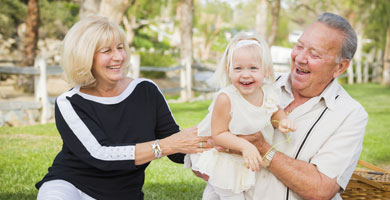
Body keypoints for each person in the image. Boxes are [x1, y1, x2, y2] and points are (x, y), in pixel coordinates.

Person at [194, 12, 368, 200]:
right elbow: (204, 143)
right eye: (299, 46)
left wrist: (262, 149)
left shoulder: (350, 114)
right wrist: (220, 164)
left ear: (340, 67)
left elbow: (321, 189)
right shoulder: (253, 84)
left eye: (314, 54)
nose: (301, 58)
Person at [35, 15, 211, 200]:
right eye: (107, 51)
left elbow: (175, 146)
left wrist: (211, 150)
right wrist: (165, 146)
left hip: (124, 194)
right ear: (85, 56)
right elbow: (100, 154)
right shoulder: (69, 102)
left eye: (120, 48)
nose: (118, 57)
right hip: (71, 185)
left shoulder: (146, 90)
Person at [185, 32, 296, 200]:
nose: (245, 74)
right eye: (238, 68)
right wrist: (246, 146)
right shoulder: (226, 98)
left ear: (265, 71)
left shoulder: (268, 92)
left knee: (213, 194)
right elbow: (219, 134)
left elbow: (274, 110)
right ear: (228, 71)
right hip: (225, 157)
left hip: (240, 158)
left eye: (253, 68)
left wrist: (282, 120)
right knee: (232, 194)